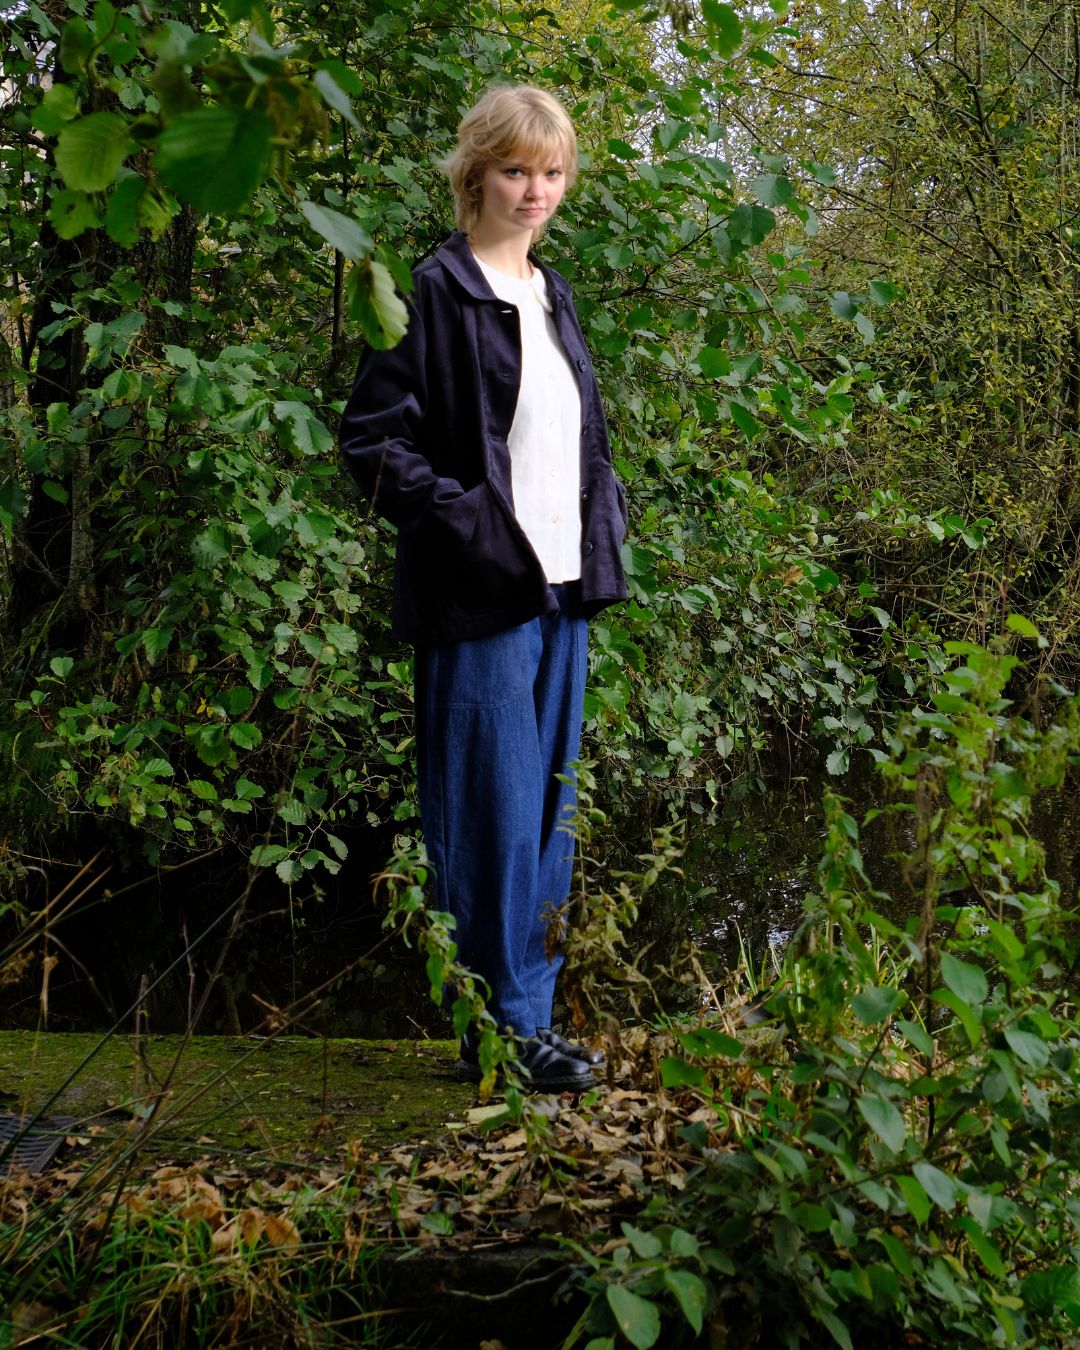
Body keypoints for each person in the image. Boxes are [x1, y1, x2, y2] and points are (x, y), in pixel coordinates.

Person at [339, 85, 627, 1090]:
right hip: (481, 597)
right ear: (475, 175)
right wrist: (470, 527)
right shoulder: (434, 292)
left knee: (548, 817)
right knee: (487, 817)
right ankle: (501, 1028)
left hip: (561, 592)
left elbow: (572, 444)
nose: (536, 189)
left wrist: (601, 531)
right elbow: (373, 444)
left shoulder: (553, 296)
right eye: (517, 169)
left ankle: (522, 1026)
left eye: (551, 172)